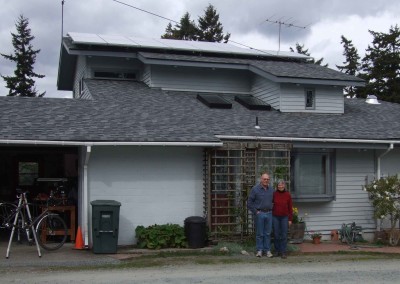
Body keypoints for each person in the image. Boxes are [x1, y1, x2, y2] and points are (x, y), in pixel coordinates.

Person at [247, 172, 274, 258]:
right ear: (261, 179)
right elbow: (249, 203)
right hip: (260, 213)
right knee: (259, 233)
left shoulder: (271, 190)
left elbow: (275, 201)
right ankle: (259, 250)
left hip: (269, 213)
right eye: (264, 179)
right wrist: (256, 212)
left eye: (267, 179)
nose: (266, 180)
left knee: (268, 233)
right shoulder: (255, 189)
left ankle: (267, 250)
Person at [272, 179, 293, 259]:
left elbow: (290, 208)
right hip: (275, 217)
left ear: (284, 185)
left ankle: (283, 252)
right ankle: (277, 251)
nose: (280, 186)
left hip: (284, 217)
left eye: (282, 185)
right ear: (277, 186)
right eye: (279, 185)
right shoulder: (274, 194)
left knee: (284, 235)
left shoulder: (288, 195)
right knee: (276, 235)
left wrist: (290, 219)